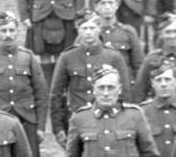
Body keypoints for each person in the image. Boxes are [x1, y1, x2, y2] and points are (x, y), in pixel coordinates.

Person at [0, 11, 48, 157]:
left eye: (11, 30)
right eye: (3, 31)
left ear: (18, 31)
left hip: (27, 120)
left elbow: (41, 93)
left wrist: (40, 127)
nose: (8, 35)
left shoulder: (28, 58)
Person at [48, 9, 131, 145]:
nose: (88, 32)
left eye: (92, 28)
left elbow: (125, 93)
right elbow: (56, 94)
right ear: (78, 29)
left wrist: (121, 121)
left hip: (107, 120)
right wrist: (58, 128)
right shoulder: (67, 57)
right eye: (84, 28)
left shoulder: (113, 56)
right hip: (77, 120)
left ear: (99, 29)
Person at [129, 13, 176, 105]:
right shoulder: (151, 59)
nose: (172, 36)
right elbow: (139, 92)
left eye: (175, 31)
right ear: (161, 35)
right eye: (168, 32)